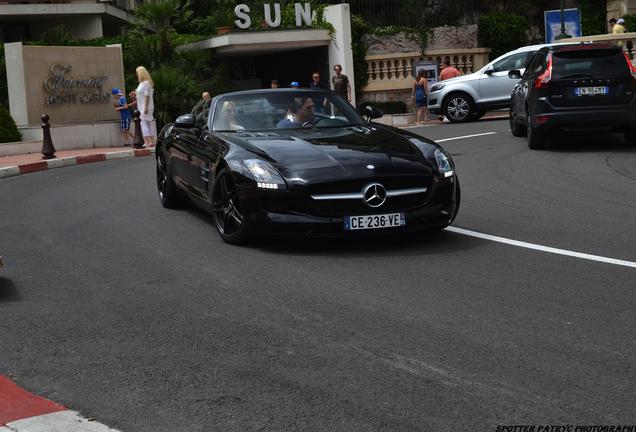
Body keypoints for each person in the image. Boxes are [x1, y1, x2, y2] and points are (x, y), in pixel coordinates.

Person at [135, 66, 156, 147]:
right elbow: (142, 94)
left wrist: (146, 108)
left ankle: (147, 142)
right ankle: (151, 141)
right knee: (147, 123)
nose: (136, 75)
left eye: (137, 73)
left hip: (145, 107)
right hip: (142, 106)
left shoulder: (146, 83)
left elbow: (147, 96)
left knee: (144, 123)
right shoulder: (142, 84)